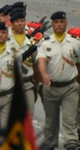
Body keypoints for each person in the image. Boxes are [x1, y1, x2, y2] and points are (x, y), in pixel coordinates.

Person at [37, 11, 80, 150]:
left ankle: (71, 143)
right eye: (56, 22)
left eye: (62, 22)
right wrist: (43, 74)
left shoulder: (75, 43)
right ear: (53, 24)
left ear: (66, 23)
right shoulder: (46, 44)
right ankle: (50, 141)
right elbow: (42, 61)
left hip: (70, 87)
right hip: (51, 87)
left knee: (69, 119)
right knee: (51, 120)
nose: (59, 25)